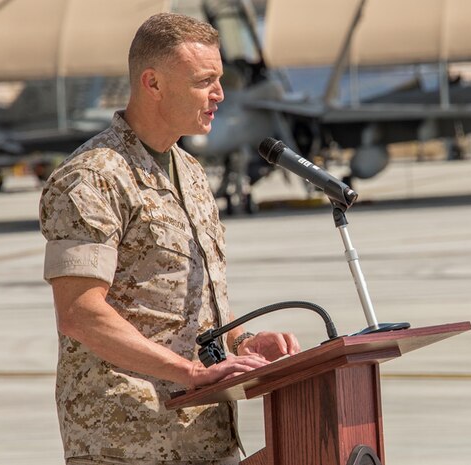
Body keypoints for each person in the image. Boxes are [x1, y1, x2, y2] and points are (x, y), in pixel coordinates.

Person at [39, 13, 300, 465]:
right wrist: (190, 373)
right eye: (205, 81)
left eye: (219, 80)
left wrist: (245, 342)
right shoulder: (92, 178)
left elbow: (195, 304)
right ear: (153, 83)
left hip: (206, 435)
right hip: (127, 439)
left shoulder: (193, 174)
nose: (220, 94)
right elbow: (80, 313)